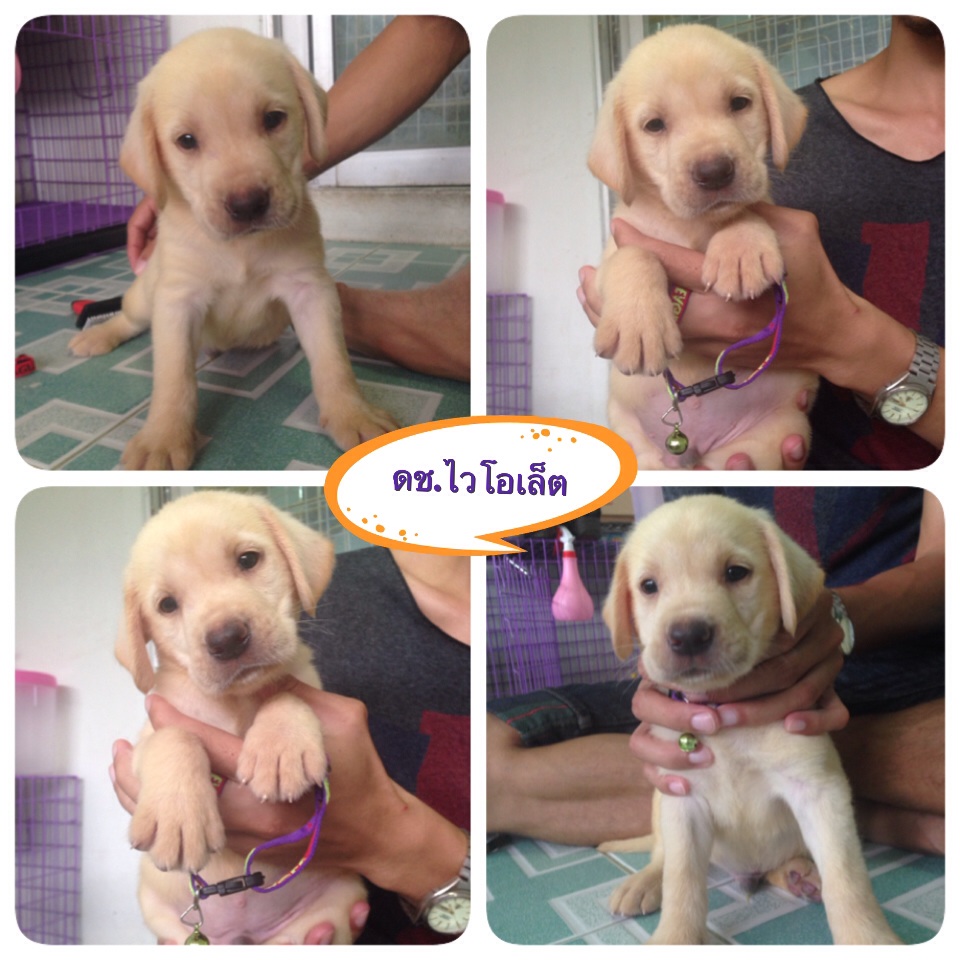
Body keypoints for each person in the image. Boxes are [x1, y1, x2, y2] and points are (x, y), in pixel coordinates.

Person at [488, 487, 944, 858]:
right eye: (650, 586)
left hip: (897, 674)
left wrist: (842, 616)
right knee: (484, 757)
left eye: (735, 572)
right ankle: (848, 803)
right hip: (705, 684)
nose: (686, 626)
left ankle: (814, 787)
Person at [578, 16, 943, 469]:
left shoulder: (766, 221)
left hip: (760, 435)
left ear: (773, 113)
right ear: (620, 149)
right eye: (655, 124)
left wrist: (747, 232)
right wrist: (633, 274)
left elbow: (766, 239)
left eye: (737, 103)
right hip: (643, 436)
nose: (711, 160)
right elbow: (617, 272)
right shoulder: (634, 222)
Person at [112, 547, 470, 944]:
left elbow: (315, 731)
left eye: (247, 561)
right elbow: (150, 756)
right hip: (183, 917)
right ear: (142, 629)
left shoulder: (316, 644)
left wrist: (288, 713)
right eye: (167, 604)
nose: (223, 630)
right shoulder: (173, 696)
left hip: (310, 912)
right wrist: (171, 756)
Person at [126, 16, 470, 383]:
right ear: (153, 153)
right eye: (188, 141)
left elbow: (308, 292)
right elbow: (429, 23)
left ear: (308, 110)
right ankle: (121, 323)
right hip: (197, 325)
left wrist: (341, 395)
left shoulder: (298, 219)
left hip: (260, 333)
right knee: (142, 300)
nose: (244, 194)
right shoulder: (175, 214)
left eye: (272, 120)